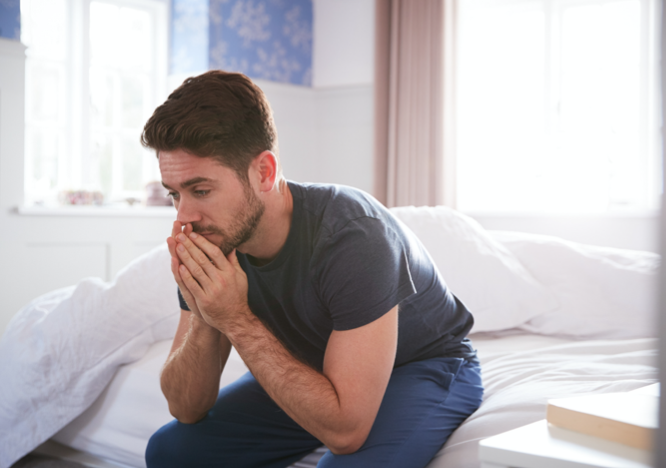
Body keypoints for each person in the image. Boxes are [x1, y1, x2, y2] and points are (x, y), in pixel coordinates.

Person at [141, 70, 483, 468]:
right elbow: (185, 408)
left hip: (423, 364)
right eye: (174, 195)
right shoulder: (214, 238)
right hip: (312, 368)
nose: (185, 216)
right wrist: (206, 313)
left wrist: (236, 318)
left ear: (264, 173)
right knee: (170, 453)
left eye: (201, 191)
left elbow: (345, 433)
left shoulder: (353, 236)